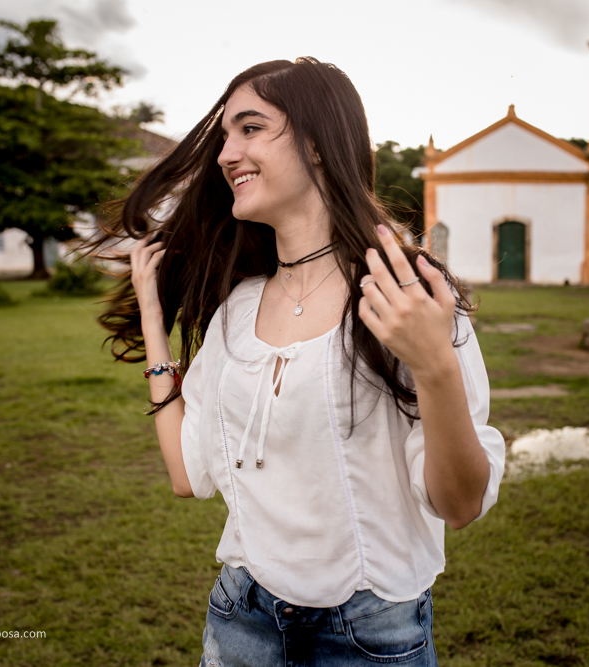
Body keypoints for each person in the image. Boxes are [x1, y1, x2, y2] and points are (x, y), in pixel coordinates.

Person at [96, 57, 505, 666]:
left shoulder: (402, 292)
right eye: (226, 135)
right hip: (241, 622)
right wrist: (154, 321)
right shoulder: (238, 310)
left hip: (371, 638)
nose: (226, 154)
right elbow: (189, 476)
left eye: (251, 128)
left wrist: (436, 365)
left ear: (316, 144)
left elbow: (460, 504)